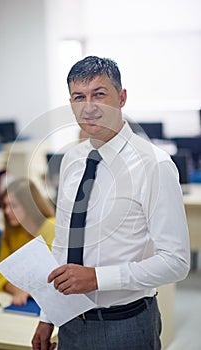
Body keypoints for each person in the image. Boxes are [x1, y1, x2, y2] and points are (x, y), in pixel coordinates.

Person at [32, 56, 190, 350]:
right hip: (69, 322)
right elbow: (63, 244)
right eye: (80, 97)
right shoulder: (71, 160)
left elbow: (177, 262)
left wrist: (96, 278)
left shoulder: (154, 165)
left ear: (122, 97)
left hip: (125, 324)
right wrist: (48, 314)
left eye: (99, 94)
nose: (89, 106)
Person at [0, 177, 55, 305]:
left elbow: (49, 276)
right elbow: (0, 274)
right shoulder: (11, 233)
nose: (7, 211)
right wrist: (17, 290)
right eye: (5, 206)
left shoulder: (52, 228)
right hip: (24, 302)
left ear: (29, 204)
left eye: (13, 206)